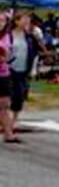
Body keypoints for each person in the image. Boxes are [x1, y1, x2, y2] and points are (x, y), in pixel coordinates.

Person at [8, 12, 42, 128]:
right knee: (6, 96)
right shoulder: (8, 36)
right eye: (24, 20)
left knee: (19, 96)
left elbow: (37, 50)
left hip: (23, 70)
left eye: (28, 20)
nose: (26, 22)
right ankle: (5, 120)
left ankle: (13, 120)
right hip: (9, 70)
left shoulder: (29, 37)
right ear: (16, 21)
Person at [0, 13, 17, 144]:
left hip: (4, 73)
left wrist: (7, 58)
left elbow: (10, 54)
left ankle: (8, 133)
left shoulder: (7, 36)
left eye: (3, 20)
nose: (1, 23)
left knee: (5, 104)